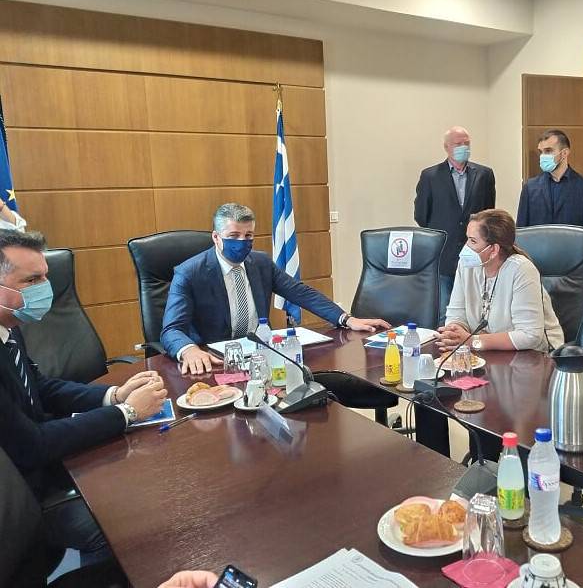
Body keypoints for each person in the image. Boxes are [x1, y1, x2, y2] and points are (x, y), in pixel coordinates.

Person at [0, 229, 168, 565]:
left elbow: (40, 386)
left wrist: (114, 395)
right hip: (20, 496)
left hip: (41, 464)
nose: (45, 288)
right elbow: (32, 445)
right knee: (125, 526)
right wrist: (127, 412)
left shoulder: (10, 328)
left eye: (45, 277)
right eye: (31, 280)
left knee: (147, 482)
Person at [161, 203, 390, 375]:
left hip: (261, 355)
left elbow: (300, 293)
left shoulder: (260, 262)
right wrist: (189, 350)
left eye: (248, 235)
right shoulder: (189, 272)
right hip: (216, 361)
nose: (242, 242)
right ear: (216, 237)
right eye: (233, 236)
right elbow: (171, 329)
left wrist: (347, 319)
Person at [438, 208, 564, 353]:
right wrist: (454, 333)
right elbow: (456, 313)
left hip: (533, 355)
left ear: (493, 250)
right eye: (467, 238)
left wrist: (473, 341)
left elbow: (530, 336)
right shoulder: (466, 265)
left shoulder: (522, 269)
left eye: (473, 241)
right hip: (487, 352)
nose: (466, 247)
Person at [414, 126, 496, 326]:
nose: (463, 147)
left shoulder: (484, 174)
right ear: (446, 147)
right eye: (458, 144)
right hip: (444, 254)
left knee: (477, 308)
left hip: (476, 253)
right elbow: (421, 215)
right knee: (444, 311)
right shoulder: (430, 176)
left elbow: (488, 214)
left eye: (467, 143)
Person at [516, 129, 583, 228]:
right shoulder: (530, 188)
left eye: (548, 151)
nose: (543, 156)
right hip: (539, 238)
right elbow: (521, 230)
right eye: (541, 152)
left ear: (564, 153)